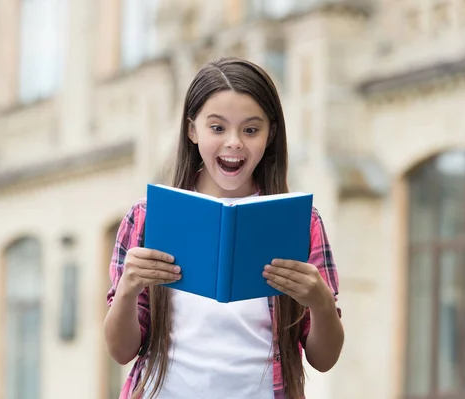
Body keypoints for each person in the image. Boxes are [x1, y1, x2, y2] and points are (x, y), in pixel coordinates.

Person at [104, 57, 343, 399]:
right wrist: (127, 289)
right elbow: (120, 350)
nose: (234, 142)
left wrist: (321, 302)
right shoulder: (147, 218)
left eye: (250, 129)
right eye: (217, 128)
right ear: (192, 130)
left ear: (270, 134)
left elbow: (325, 358)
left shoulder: (300, 222)